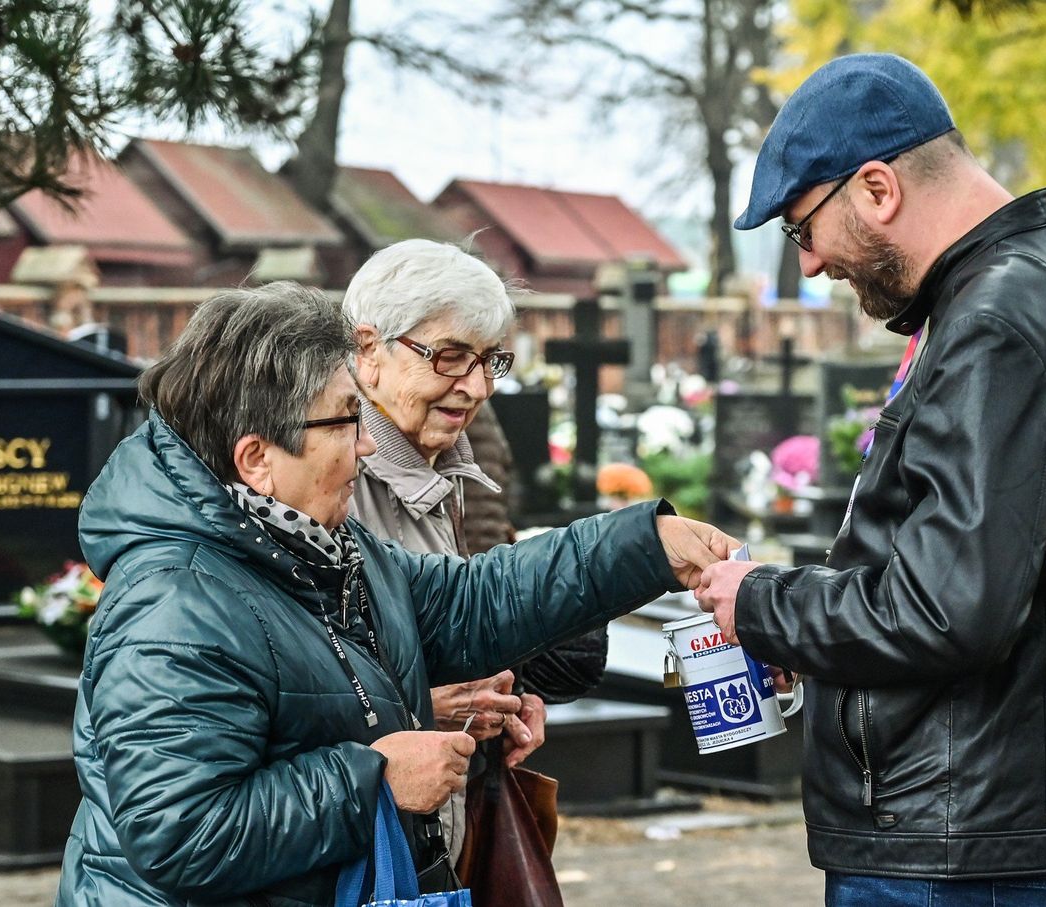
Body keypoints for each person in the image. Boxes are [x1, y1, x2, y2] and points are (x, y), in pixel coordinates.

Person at [55, 282, 732, 907]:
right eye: (347, 421)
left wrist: (648, 545)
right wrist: (372, 781)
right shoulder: (176, 603)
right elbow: (181, 834)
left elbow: (475, 601)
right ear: (257, 458)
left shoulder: (326, 548)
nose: (369, 450)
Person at [694, 54, 1046, 906]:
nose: (809, 265)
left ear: (878, 188)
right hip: (980, 814)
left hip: (952, 834)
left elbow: (949, 608)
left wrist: (763, 602)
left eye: (803, 229)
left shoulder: (998, 323)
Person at [341, 238, 608, 865]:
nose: (478, 386)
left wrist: (505, 695)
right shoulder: (328, 476)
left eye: (491, 360)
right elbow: (286, 680)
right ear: (367, 350)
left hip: (426, 832)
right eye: (451, 358)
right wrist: (420, 707)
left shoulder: (441, 462)